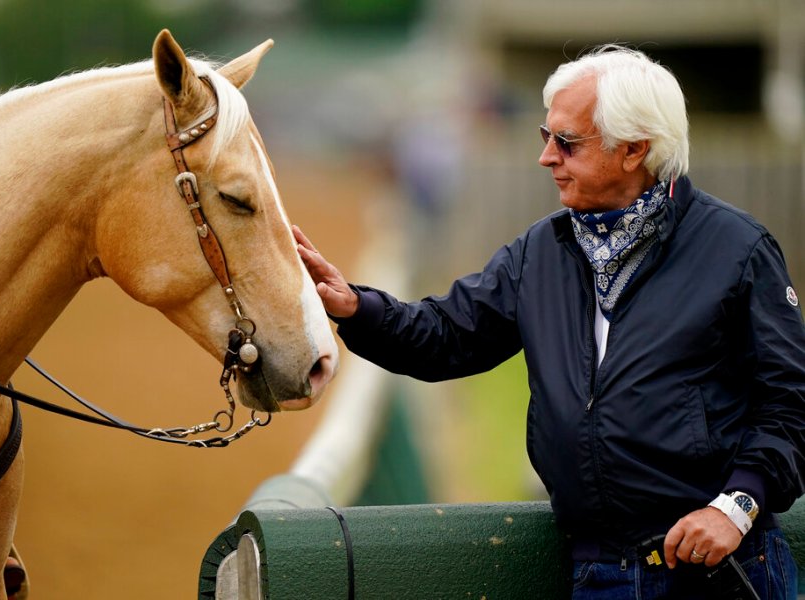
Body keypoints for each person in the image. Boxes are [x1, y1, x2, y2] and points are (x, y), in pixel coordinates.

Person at [294, 45, 805, 599]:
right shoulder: (541, 250)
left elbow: (791, 400)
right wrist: (354, 306)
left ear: (634, 149)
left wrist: (736, 507)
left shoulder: (738, 248)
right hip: (598, 571)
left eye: (567, 142)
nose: (546, 157)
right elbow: (446, 336)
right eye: (546, 136)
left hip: (717, 572)